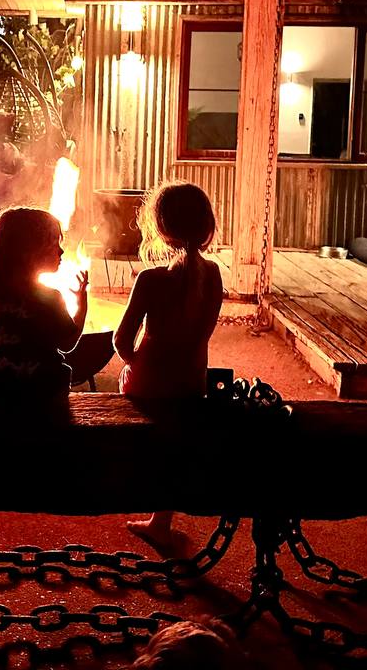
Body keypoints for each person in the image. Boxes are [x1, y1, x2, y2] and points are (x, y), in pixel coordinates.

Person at [113, 181, 223, 543]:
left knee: (126, 382)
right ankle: (162, 519)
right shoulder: (214, 275)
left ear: (160, 229)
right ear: (207, 226)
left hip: (151, 386)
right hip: (193, 382)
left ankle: (132, 479)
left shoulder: (150, 279)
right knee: (176, 435)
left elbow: (121, 341)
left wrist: (137, 364)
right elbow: (200, 335)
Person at [0, 206, 88, 402]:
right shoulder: (50, 297)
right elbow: (68, 344)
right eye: (54, 244)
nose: (61, 251)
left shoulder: (1, 294)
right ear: (30, 252)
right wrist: (82, 304)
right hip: (42, 390)